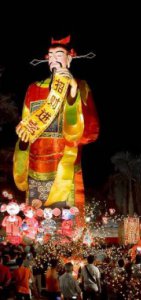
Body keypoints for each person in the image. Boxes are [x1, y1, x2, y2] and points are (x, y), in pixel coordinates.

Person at [13, 35, 99, 224]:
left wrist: (72, 92)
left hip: (64, 162)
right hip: (36, 165)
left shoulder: (81, 86)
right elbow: (27, 125)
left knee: (66, 220)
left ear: (69, 59)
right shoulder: (33, 88)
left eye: (59, 54)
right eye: (50, 55)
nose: (53, 59)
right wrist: (24, 139)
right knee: (35, 219)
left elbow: (91, 131)